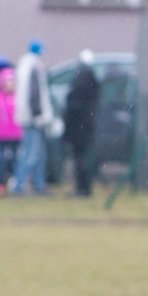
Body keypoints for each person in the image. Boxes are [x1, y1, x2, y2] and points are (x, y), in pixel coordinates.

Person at [12, 41, 55, 196]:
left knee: (36, 153)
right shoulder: (33, 67)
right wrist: (38, 115)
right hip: (33, 119)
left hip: (29, 117)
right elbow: (34, 94)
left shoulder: (25, 66)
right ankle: (20, 185)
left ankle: (39, 184)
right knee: (31, 153)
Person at [63, 49, 100, 198]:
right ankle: (84, 188)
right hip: (86, 126)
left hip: (79, 127)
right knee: (84, 157)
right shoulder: (92, 80)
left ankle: (82, 188)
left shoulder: (80, 80)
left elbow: (73, 105)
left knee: (80, 158)